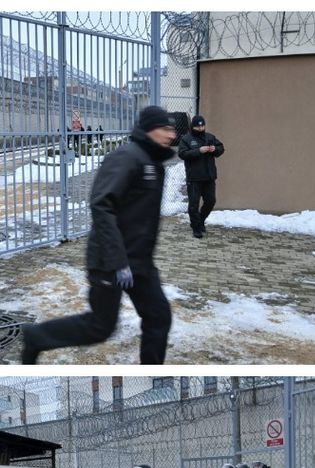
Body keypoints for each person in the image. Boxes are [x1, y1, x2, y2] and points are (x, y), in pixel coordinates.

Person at [22, 106, 178, 364]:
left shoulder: (152, 162)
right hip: (110, 261)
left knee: (159, 317)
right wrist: (119, 262)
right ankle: (36, 337)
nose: (170, 135)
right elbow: (101, 205)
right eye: (165, 128)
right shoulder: (127, 157)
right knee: (100, 327)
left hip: (139, 263)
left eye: (172, 129)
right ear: (150, 129)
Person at [178, 114, 224, 238]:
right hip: (194, 178)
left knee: (210, 201)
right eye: (198, 126)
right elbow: (182, 154)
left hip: (209, 177)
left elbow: (221, 148)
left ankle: (201, 220)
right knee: (193, 204)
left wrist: (215, 149)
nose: (200, 128)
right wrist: (198, 151)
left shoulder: (210, 137)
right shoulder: (186, 139)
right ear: (193, 126)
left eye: (202, 126)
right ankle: (196, 228)